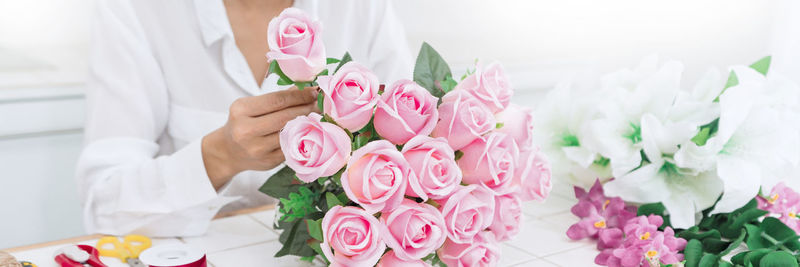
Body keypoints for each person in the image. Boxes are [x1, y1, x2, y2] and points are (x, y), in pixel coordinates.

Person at [76, 0, 413, 236]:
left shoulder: (363, 7)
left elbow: (412, 154)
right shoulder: (137, 9)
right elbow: (104, 206)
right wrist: (218, 157)